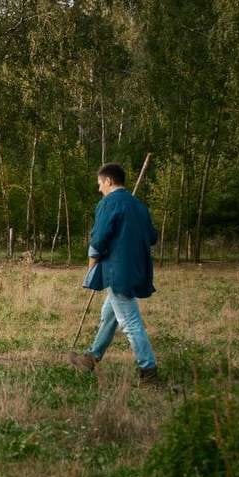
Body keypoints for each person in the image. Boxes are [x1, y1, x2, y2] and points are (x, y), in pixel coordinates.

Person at [69, 162, 160, 383]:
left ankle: (148, 370)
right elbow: (152, 237)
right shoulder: (138, 205)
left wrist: (91, 265)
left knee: (129, 321)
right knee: (110, 314)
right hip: (136, 269)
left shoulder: (108, 203)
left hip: (117, 271)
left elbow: (99, 238)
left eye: (100, 183)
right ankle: (91, 357)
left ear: (108, 181)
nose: (99, 188)